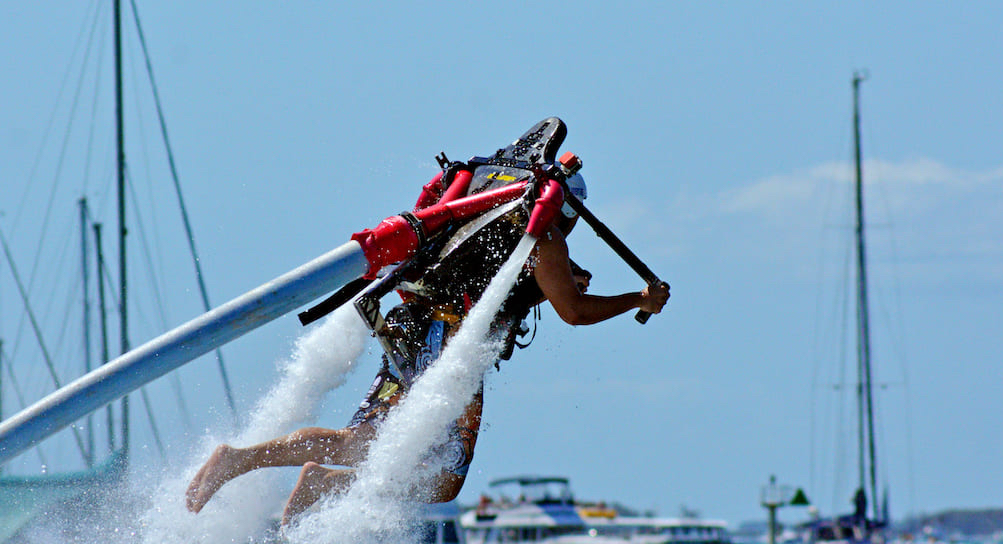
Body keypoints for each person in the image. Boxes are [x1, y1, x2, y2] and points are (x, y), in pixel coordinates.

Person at [185, 170, 670, 525]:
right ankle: (325, 483)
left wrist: (561, 282)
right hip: (452, 349)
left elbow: (516, 286)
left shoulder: (491, 221)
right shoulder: (544, 241)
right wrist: (637, 299)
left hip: (413, 327)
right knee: (447, 476)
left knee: (361, 443)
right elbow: (575, 313)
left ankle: (241, 460)